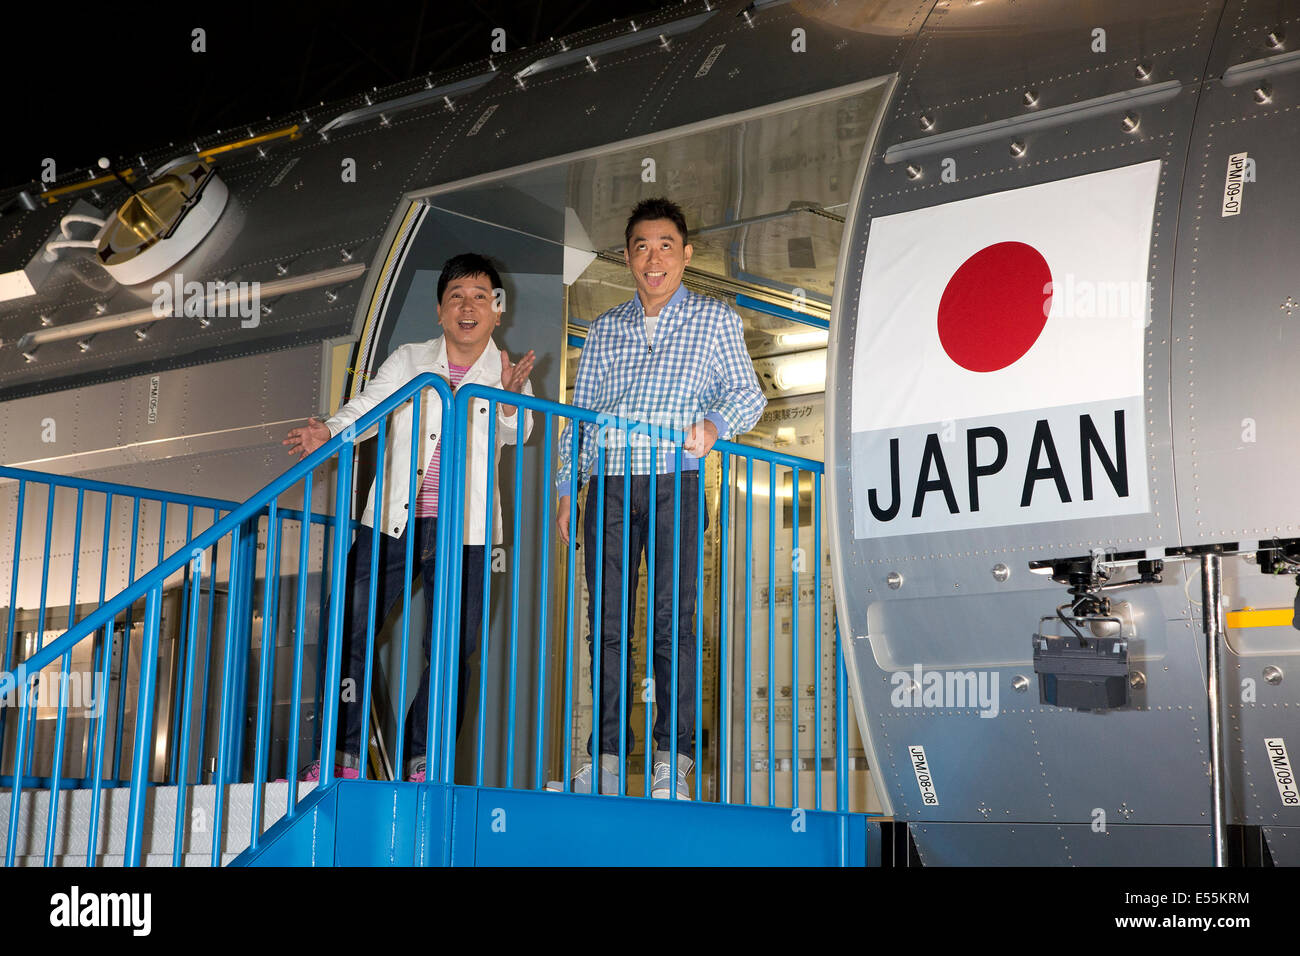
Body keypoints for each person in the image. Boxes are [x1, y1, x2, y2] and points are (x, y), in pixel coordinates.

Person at [284, 252, 535, 782]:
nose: (468, 307)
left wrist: (510, 402)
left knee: (449, 649)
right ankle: (342, 756)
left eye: (479, 298)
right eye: (456, 297)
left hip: (466, 535)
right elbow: (369, 408)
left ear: (496, 310)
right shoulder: (410, 358)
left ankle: (425, 758)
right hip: (391, 525)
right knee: (343, 627)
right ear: (441, 311)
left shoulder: (506, 372)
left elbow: (520, 433)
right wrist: (329, 431)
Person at [549, 198, 766, 798]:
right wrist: (569, 488)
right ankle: (608, 760)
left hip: (677, 482)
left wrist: (716, 426)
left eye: (666, 246)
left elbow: (748, 394)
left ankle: (673, 761)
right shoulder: (605, 327)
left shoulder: (714, 320)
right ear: (627, 257)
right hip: (611, 488)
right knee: (607, 626)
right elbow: (580, 417)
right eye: (642, 246)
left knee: (674, 622)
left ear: (686, 254)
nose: (653, 258)